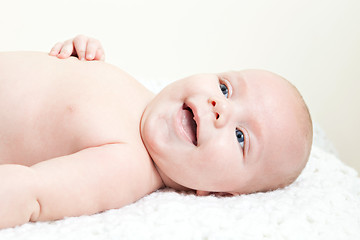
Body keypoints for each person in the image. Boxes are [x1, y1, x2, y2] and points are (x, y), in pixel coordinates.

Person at [0, 35, 313, 229]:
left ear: (220, 192)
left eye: (240, 137)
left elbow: (33, 193)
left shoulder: (125, 166)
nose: (220, 106)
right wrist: (78, 52)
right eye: (225, 88)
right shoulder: (138, 93)